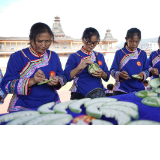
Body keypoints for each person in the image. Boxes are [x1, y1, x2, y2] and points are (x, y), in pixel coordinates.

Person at [1, 22, 67, 112]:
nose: (44, 45)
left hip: (51, 104)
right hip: (24, 106)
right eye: (39, 41)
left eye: (47, 41)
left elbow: (63, 77)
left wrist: (57, 81)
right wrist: (32, 81)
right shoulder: (17, 57)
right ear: (30, 39)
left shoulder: (53, 56)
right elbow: (6, 85)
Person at [64, 27, 110, 99]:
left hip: (98, 93)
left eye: (95, 43)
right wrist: (80, 67)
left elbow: (107, 77)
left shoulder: (99, 56)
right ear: (83, 39)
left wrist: (103, 74)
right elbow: (67, 77)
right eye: (89, 42)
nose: (92, 45)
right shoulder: (74, 56)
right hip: (79, 94)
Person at [110, 28, 149, 96]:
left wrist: (142, 75)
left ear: (139, 40)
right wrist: (119, 74)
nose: (134, 44)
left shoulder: (142, 54)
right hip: (121, 89)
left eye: (136, 42)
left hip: (138, 89)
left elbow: (147, 70)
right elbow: (112, 70)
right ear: (126, 39)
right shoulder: (119, 53)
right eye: (131, 41)